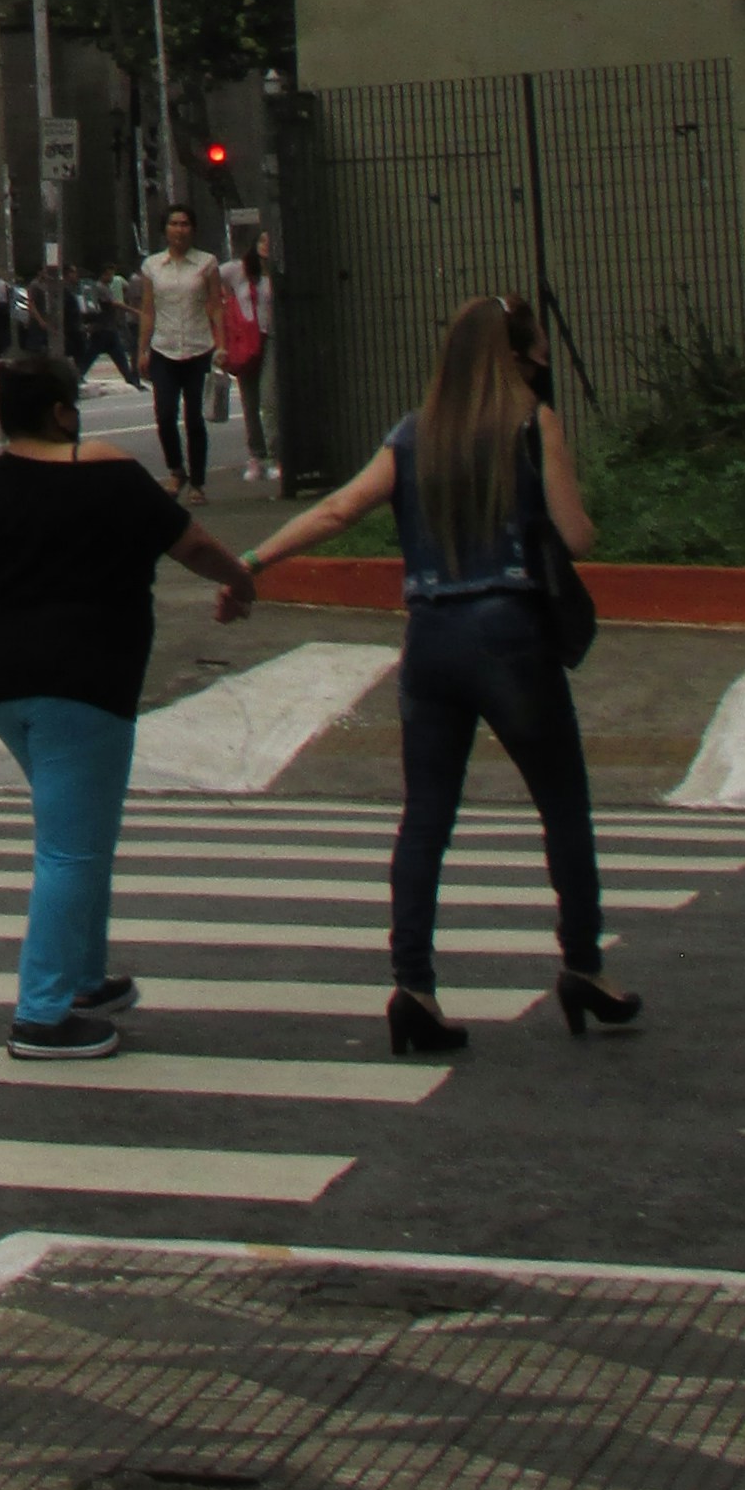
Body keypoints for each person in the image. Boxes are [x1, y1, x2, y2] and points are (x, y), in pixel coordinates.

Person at [242, 292, 639, 1056]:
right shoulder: (533, 425)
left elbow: (337, 512)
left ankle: (413, 985)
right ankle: (583, 968)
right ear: (519, 358)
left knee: (426, 818)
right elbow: (578, 535)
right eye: (537, 353)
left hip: (430, 642)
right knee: (562, 805)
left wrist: (254, 562)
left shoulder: (412, 435)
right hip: (512, 638)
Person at [0, 350, 261, 1059]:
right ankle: (42, 1013)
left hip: (3, 683)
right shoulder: (112, 474)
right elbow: (195, 546)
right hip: (85, 680)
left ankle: (84, 979)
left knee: (84, 831)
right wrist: (241, 580)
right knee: (70, 848)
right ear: (61, 411)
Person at [136, 205, 226, 495]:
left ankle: (198, 482)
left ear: (193, 229)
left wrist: (221, 345)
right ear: (165, 229)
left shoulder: (207, 263)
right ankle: (176, 470)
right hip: (164, 348)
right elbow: (148, 310)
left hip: (199, 348)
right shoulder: (152, 266)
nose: (179, 229)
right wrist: (142, 350)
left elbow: (214, 305)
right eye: (173, 223)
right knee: (164, 414)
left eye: (185, 224)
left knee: (194, 418)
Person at [221, 232, 276, 485]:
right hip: (245, 341)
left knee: (270, 399)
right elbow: (208, 277)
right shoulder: (239, 270)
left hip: (270, 339)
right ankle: (256, 456)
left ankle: (277, 456)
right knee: (249, 403)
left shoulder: (277, 272)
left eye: (271, 240)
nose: (267, 245)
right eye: (262, 240)